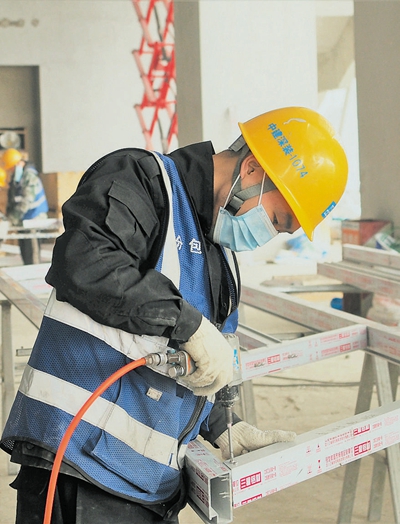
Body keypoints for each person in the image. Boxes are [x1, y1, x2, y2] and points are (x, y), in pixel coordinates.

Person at [1, 107, 348, 523]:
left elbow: (188, 363)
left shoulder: (219, 252)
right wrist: (189, 324)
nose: (268, 235)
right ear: (253, 169)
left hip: (149, 486)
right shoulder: (142, 180)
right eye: (276, 219)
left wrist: (221, 424)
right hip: (78, 469)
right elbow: (85, 263)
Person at [1, 148, 49, 264]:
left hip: (34, 217)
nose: (11, 171)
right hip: (23, 218)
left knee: (32, 252)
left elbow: (26, 201)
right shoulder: (17, 178)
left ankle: (34, 271)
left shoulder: (29, 176)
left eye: (12, 168)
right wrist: (8, 217)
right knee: (25, 251)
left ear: (19, 163)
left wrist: (12, 219)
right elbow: (13, 200)